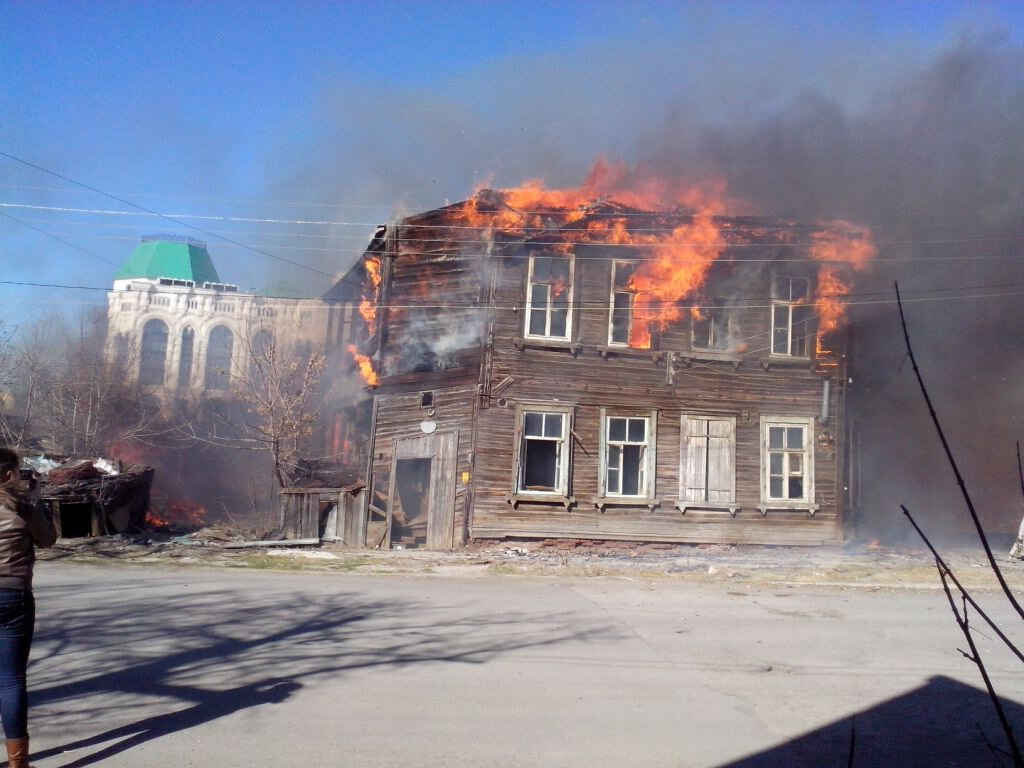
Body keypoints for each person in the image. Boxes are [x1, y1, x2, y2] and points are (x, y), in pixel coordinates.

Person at [0, 448, 56, 768]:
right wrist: (38, 502)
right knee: (10, 680)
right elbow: (47, 539)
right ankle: (18, 764)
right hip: (13, 597)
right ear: (9, 476)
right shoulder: (23, 507)